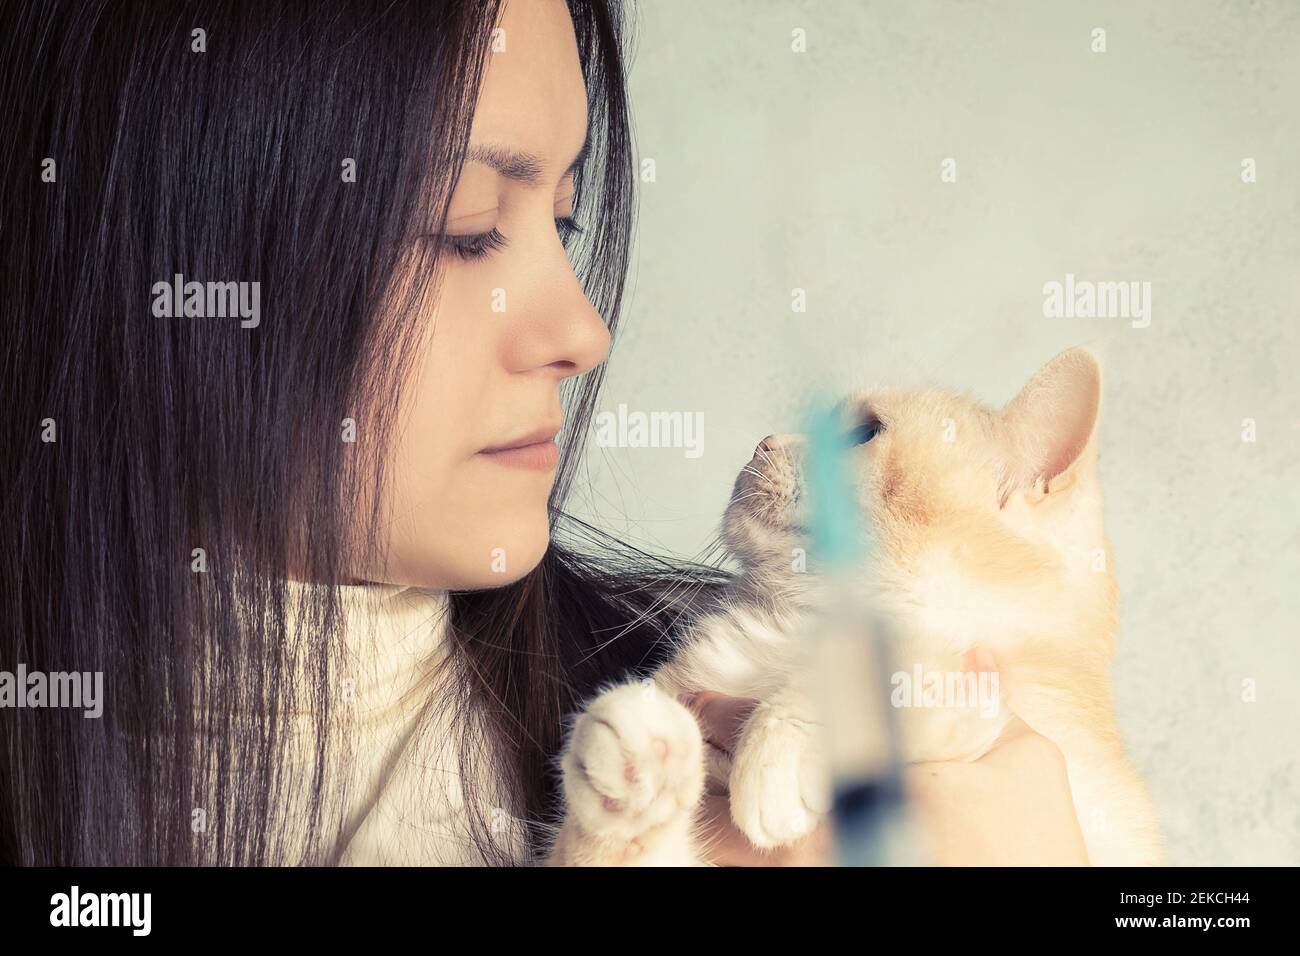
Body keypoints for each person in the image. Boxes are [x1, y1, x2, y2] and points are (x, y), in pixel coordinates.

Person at [0, 0, 1088, 866]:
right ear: (175, 263)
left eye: (562, 221)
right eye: (468, 229)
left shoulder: (727, 706)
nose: (583, 328)